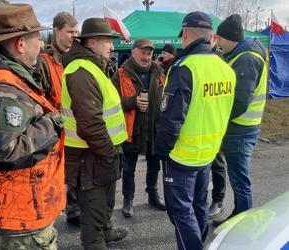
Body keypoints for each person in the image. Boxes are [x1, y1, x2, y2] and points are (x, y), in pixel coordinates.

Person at [155, 11, 236, 250]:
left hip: (182, 156)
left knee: (181, 212)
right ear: (210, 35)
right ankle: (200, 243)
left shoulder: (184, 68)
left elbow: (171, 120)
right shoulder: (224, 68)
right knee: (199, 206)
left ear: (186, 34)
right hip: (208, 153)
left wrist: (161, 151)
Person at [0, 4, 65, 249]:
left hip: (17, 212)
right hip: (20, 220)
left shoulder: (9, 79)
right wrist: (51, 124)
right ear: (20, 44)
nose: (41, 44)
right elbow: (5, 151)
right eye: (37, 38)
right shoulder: (6, 89)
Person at [61, 18, 129, 249]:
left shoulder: (93, 67)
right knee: (93, 211)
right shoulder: (81, 71)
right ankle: (96, 242)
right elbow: (90, 124)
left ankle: (106, 231)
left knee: (105, 202)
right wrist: (109, 153)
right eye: (108, 41)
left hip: (99, 152)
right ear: (92, 42)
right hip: (90, 155)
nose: (112, 47)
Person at [214, 14, 267, 224]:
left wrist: (217, 119)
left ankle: (242, 221)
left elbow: (239, 102)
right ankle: (240, 216)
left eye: (219, 39)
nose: (217, 43)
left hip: (241, 130)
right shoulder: (241, 53)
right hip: (242, 128)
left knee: (239, 180)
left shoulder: (246, 58)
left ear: (230, 38)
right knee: (238, 177)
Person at [111, 38, 166, 218]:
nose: (146, 56)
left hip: (154, 129)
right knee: (128, 168)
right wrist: (131, 101)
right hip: (131, 130)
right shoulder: (120, 74)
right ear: (133, 51)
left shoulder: (159, 72)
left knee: (154, 166)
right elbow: (110, 102)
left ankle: (153, 194)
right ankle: (128, 200)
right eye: (143, 52)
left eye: (149, 53)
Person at [37, 11, 79, 227]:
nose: (74, 35)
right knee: (52, 181)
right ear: (56, 31)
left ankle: (73, 211)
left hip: (74, 134)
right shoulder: (43, 62)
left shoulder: (76, 59)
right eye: (70, 31)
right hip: (53, 133)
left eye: (76, 31)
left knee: (74, 176)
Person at [208, 33, 228, 219]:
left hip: (217, 122)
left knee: (217, 163)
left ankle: (218, 200)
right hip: (202, 122)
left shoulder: (221, 60)